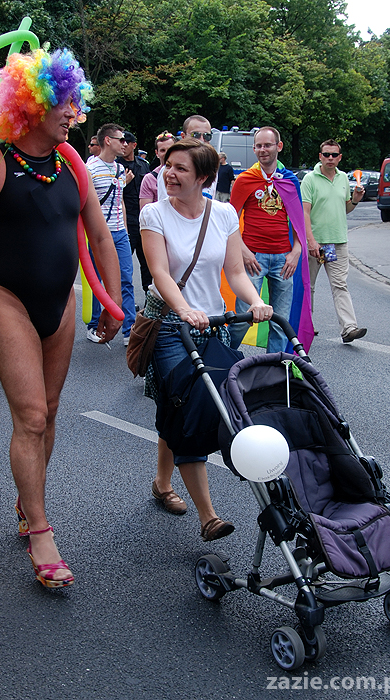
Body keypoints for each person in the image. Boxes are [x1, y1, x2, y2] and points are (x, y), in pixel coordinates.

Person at [0, 49, 123, 588]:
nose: (73, 111)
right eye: (64, 102)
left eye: (74, 102)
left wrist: (113, 302)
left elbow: (101, 235)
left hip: (60, 303)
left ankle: (27, 498)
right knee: (32, 416)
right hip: (6, 298)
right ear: (32, 104)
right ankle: (40, 530)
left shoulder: (72, 166)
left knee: (52, 409)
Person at [140, 139, 272, 540]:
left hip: (212, 323)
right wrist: (183, 309)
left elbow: (235, 272)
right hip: (168, 325)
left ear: (204, 178)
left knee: (181, 403)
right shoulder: (154, 213)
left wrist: (254, 300)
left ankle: (162, 483)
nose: (169, 174)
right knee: (192, 404)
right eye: (168, 166)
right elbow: (160, 273)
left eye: (180, 168)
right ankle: (208, 516)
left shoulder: (225, 213)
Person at [228, 126, 313, 353]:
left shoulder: (290, 181)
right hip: (253, 258)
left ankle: (274, 370)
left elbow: (298, 220)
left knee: (280, 322)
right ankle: (223, 361)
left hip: (283, 259)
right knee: (243, 317)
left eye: (267, 145)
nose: (263, 150)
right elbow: (229, 220)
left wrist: (296, 251)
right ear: (254, 149)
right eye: (259, 146)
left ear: (279, 146)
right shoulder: (244, 180)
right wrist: (244, 251)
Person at [301, 140, 367, 343]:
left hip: (336, 242)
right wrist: (311, 241)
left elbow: (345, 209)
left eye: (334, 155)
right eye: (326, 154)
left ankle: (349, 328)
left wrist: (354, 199)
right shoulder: (310, 180)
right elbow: (304, 212)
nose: (330, 158)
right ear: (320, 156)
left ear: (340, 157)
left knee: (340, 285)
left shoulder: (344, 179)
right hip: (317, 243)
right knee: (308, 287)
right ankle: (306, 327)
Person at [86, 123, 136, 345]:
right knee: (98, 280)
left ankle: (129, 329)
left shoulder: (119, 170)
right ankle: (95, 325)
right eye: (121, 140)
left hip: (119, 233)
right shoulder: (91, 169)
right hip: (98, 235)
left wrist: (123, 228)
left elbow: (120, 201)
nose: (125, 144)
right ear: (108, 140)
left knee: (126, 280)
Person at [116, 131, 151, 292]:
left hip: (143, 219)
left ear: (134, 145)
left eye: (126, 142)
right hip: (126, 219)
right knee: (124, 265)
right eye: (121, 141)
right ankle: (123, 299)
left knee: (147, 262)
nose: (123, 145)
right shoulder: (116, 165)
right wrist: (123, 181)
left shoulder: (143, 165)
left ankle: (148, 296)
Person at [139, 131, 176, 208]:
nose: (167, 153)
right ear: (157, 153)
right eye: (163, 150)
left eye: (170, 149)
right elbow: (145, 213)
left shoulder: (185, 174)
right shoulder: (149, 179)